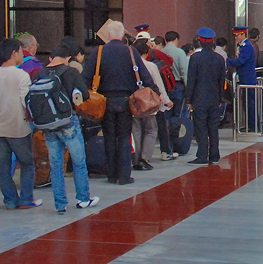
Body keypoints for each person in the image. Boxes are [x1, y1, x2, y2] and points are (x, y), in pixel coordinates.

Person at [81, 20, 158, 185]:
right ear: (123, 35)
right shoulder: (130, 51)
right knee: (124, 137)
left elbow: (86, 77)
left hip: (105, 101)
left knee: (109, 137)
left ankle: (111, 174)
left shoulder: (99, 51)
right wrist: (155, 92)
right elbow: (145, 76)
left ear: (108, 35)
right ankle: (124, 176)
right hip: (126, 101)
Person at [41, 44, 100, 213]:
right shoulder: (71, 72)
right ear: (68, 58)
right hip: (68, 121)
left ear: (51, 58)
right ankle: (83, 199)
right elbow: (85, 94)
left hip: (48, 123)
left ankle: (60, 204)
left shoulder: (40, 73)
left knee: (56, 164)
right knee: (79, 161)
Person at [0, 38, 40, 209]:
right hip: (18, 128)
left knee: (3, 167)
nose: (22, 54)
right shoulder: (21, 76)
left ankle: (10, 200)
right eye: (19, 51)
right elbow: (26, 102)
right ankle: (25, 199)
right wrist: (33, 118)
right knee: (27, 162)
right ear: (13, 53)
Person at [185, 28, 226, 165]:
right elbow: (222, 81)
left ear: (201, 42)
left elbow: (191, 80)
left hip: (199, 98)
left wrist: (189, 99)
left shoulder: (195, 58)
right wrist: (221, 98)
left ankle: (202, 155)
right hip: (214, 98)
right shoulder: (220, 59)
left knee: (201, 127)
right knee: (213, 127)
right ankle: (214, 155)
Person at [131, 38, 172, 171]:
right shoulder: (151, 66)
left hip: (134, 103)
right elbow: (158, 85)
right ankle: (145, 158)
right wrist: (166, 101)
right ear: (146, 52)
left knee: (136, 131)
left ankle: (135, 159)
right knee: (151, 130)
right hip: (148, 103)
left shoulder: (128, 65)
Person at [227, 26, 258, 131]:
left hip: (248, 79)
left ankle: (253, 125)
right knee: (246, 103)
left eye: (238, 35)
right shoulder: (243, 46)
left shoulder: (247, 46)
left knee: (250, 103)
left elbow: (241, 61)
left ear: (243, 34)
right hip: (245, 78)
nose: (236, 37)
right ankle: (250, 125)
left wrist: (227, 61)